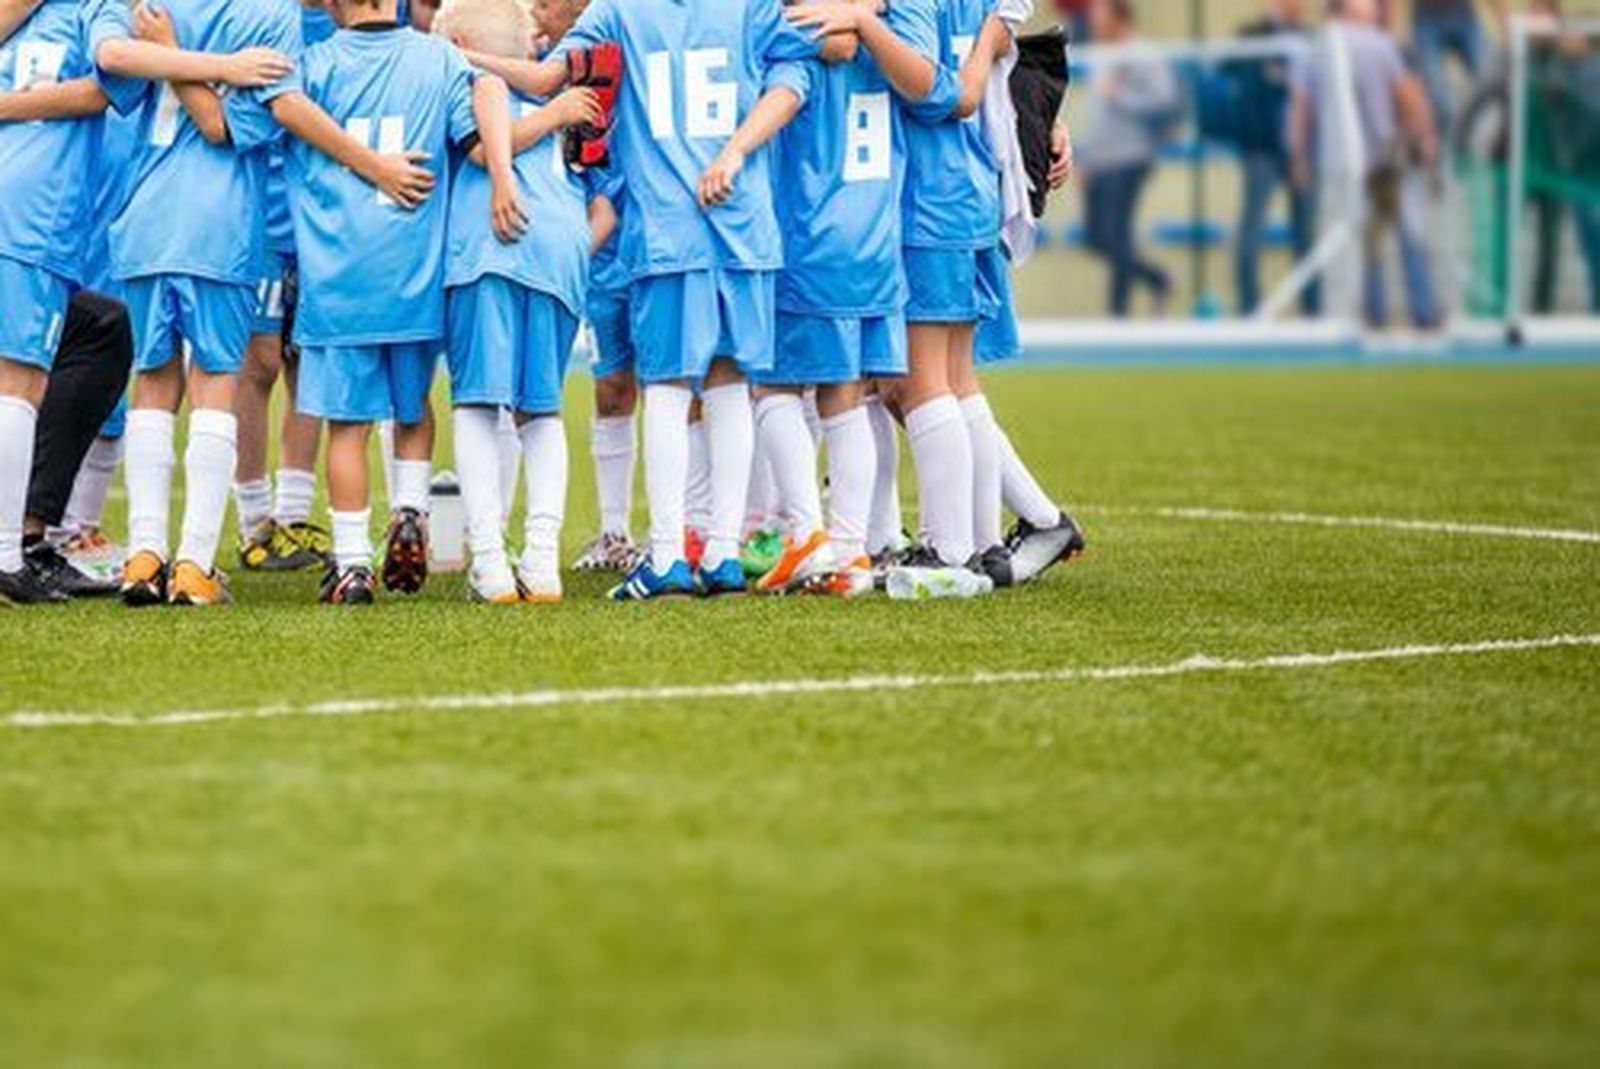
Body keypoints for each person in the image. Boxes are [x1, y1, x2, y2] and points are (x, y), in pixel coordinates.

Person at [474, 0, 841, 602]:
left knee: (667, 390)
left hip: (671, 230)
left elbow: (544, 79)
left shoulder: (621, 10)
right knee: (729, 384)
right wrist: (737, 150)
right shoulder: (751, 8)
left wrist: (455, 54)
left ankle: (668, 555)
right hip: (744, 225)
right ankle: (722, 553)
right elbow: (804, 71)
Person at [270, 0, 518, 605]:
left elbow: (280, 103)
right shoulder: (437, 58)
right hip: (414, 275)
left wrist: (367, 165)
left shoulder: (315, 62)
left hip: (338, 281)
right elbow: (478, 141)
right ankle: (410, 511)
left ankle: (353, 563)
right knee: (413, 413)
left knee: (348, 427)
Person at [435, 0, 612, 604]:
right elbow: (606, 200)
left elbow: (486, 141)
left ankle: (488, 559)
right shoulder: (565, 100)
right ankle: (541, 560)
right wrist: (575, 252)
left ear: (454, 38)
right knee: (543, 410)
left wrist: (508, 177)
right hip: (559, 255)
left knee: (479, 405)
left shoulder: (464, 84)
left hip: (490, 253)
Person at [233, 1, 340, 576]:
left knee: (311, 360)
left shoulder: (351, 20)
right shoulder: (263, 16)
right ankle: (254, 523)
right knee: (259, 363)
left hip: (323, 220)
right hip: (262, 214)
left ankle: (293, 516)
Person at [1291, 0, 1441, 330]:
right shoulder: (1379, 44)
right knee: (1407, 234)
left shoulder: (1315, 50)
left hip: (1341, 165)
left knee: (1367, 240)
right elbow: (1408, 96)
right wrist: (1423, 139)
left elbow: (1302, 109)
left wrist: (1299, 156)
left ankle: (1374, 315)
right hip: (1387, 156)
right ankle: (1424, 313)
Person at [1076, 0, 1176, 318]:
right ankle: (1156, 278)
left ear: (1119, 17)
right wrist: (1085, 161)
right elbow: (1096, 117)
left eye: (1099, 15)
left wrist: (1122, 95)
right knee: (1096, 237)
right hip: (1101, 161)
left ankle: (1117, 314)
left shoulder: (1144, 55)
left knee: (1117, 235)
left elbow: (1164, 100)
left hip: (1129, 157)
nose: (1093, 22)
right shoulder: (1100, 57)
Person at [1229, 0, 1319, 316]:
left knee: (1307, 231)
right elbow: (1236, 83)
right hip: (1262, 148)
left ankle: (1312, 310)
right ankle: (1249, 308)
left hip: (1302, 150)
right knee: (1252, 229)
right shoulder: (1253, 37)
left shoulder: (1311, 40)